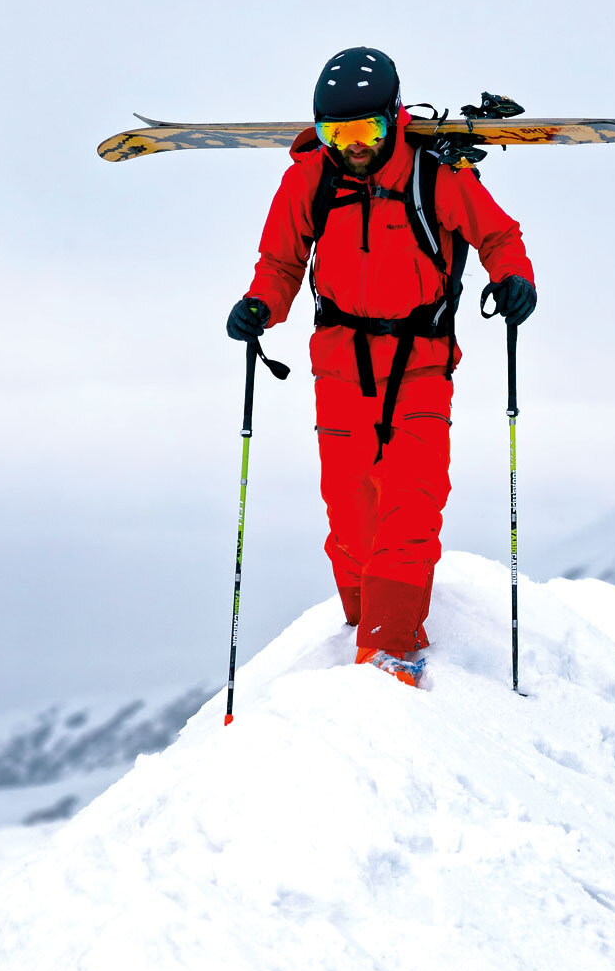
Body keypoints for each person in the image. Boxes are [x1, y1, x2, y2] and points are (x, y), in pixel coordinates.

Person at [224, 47, 537, 687]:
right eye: (337, 135)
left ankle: (391, 651)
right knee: (348, 512)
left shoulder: (437, 175)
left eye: (365, 132)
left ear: (394, 120)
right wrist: (259, 305)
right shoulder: (309, 181)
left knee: (411, 505)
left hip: (420, 362)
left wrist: (514, 279)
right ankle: (362, 623)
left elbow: (499, 237)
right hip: (339, 363)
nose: (353, 148)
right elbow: (280, 264)